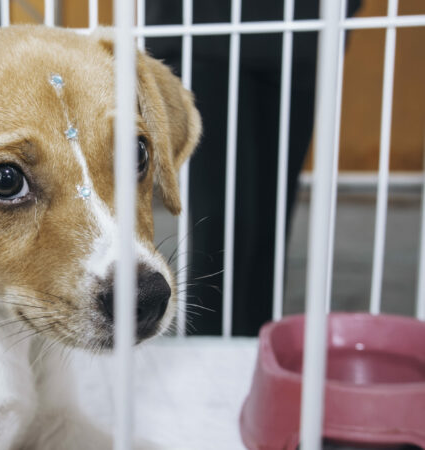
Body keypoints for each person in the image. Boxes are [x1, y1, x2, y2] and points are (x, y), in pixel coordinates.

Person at [145, 0, 361, 336]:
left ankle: (260, 354)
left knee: (270, 228)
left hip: (304, 29)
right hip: (203, 28)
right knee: (221, 227)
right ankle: (212, 364)